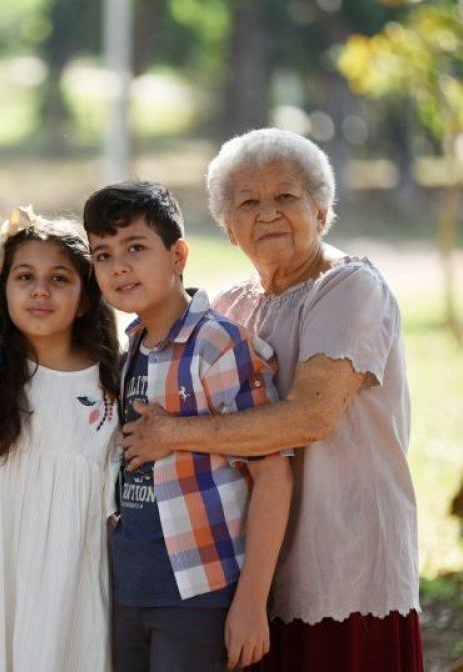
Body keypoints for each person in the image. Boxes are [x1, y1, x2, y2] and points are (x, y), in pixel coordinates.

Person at [121, 129, 423, 671]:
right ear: (228, 227)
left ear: (322, 210)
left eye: (286, 197)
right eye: (248, 202)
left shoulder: (349, 286)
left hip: (343, 552)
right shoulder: (235, 303)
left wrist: (171, 432)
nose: (268, 214)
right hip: (255, 564)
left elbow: (311, 417)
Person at [83, 181, 293, 672]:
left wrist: (250, 602)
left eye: (136, 247)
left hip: (200, 592)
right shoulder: (131, 345)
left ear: (178, 254)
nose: (119, 267)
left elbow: (274, 473)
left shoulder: (217, 346)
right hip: (128, 586)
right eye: (103, 255)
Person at [0, 213, 121, 672]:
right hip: (2, 577)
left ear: (83, 300)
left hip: (73, 583)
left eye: (59, 279)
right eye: (25, 277)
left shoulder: (111, 388)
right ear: (4, 290)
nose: (40, 291)